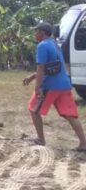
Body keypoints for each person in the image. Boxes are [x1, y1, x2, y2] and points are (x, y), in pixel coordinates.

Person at [22, 21, 86, 151]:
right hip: (64, 85)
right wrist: (32, 77)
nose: (35, 34)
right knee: (70, 115)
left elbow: (41, 67)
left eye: (37, 31)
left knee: (34, 110)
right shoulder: (55, 45)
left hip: (50, 86)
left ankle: (40, 139)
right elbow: (53, 65)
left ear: (42, 33)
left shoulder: (42, 46)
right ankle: (83, 143)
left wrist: (37, 86)